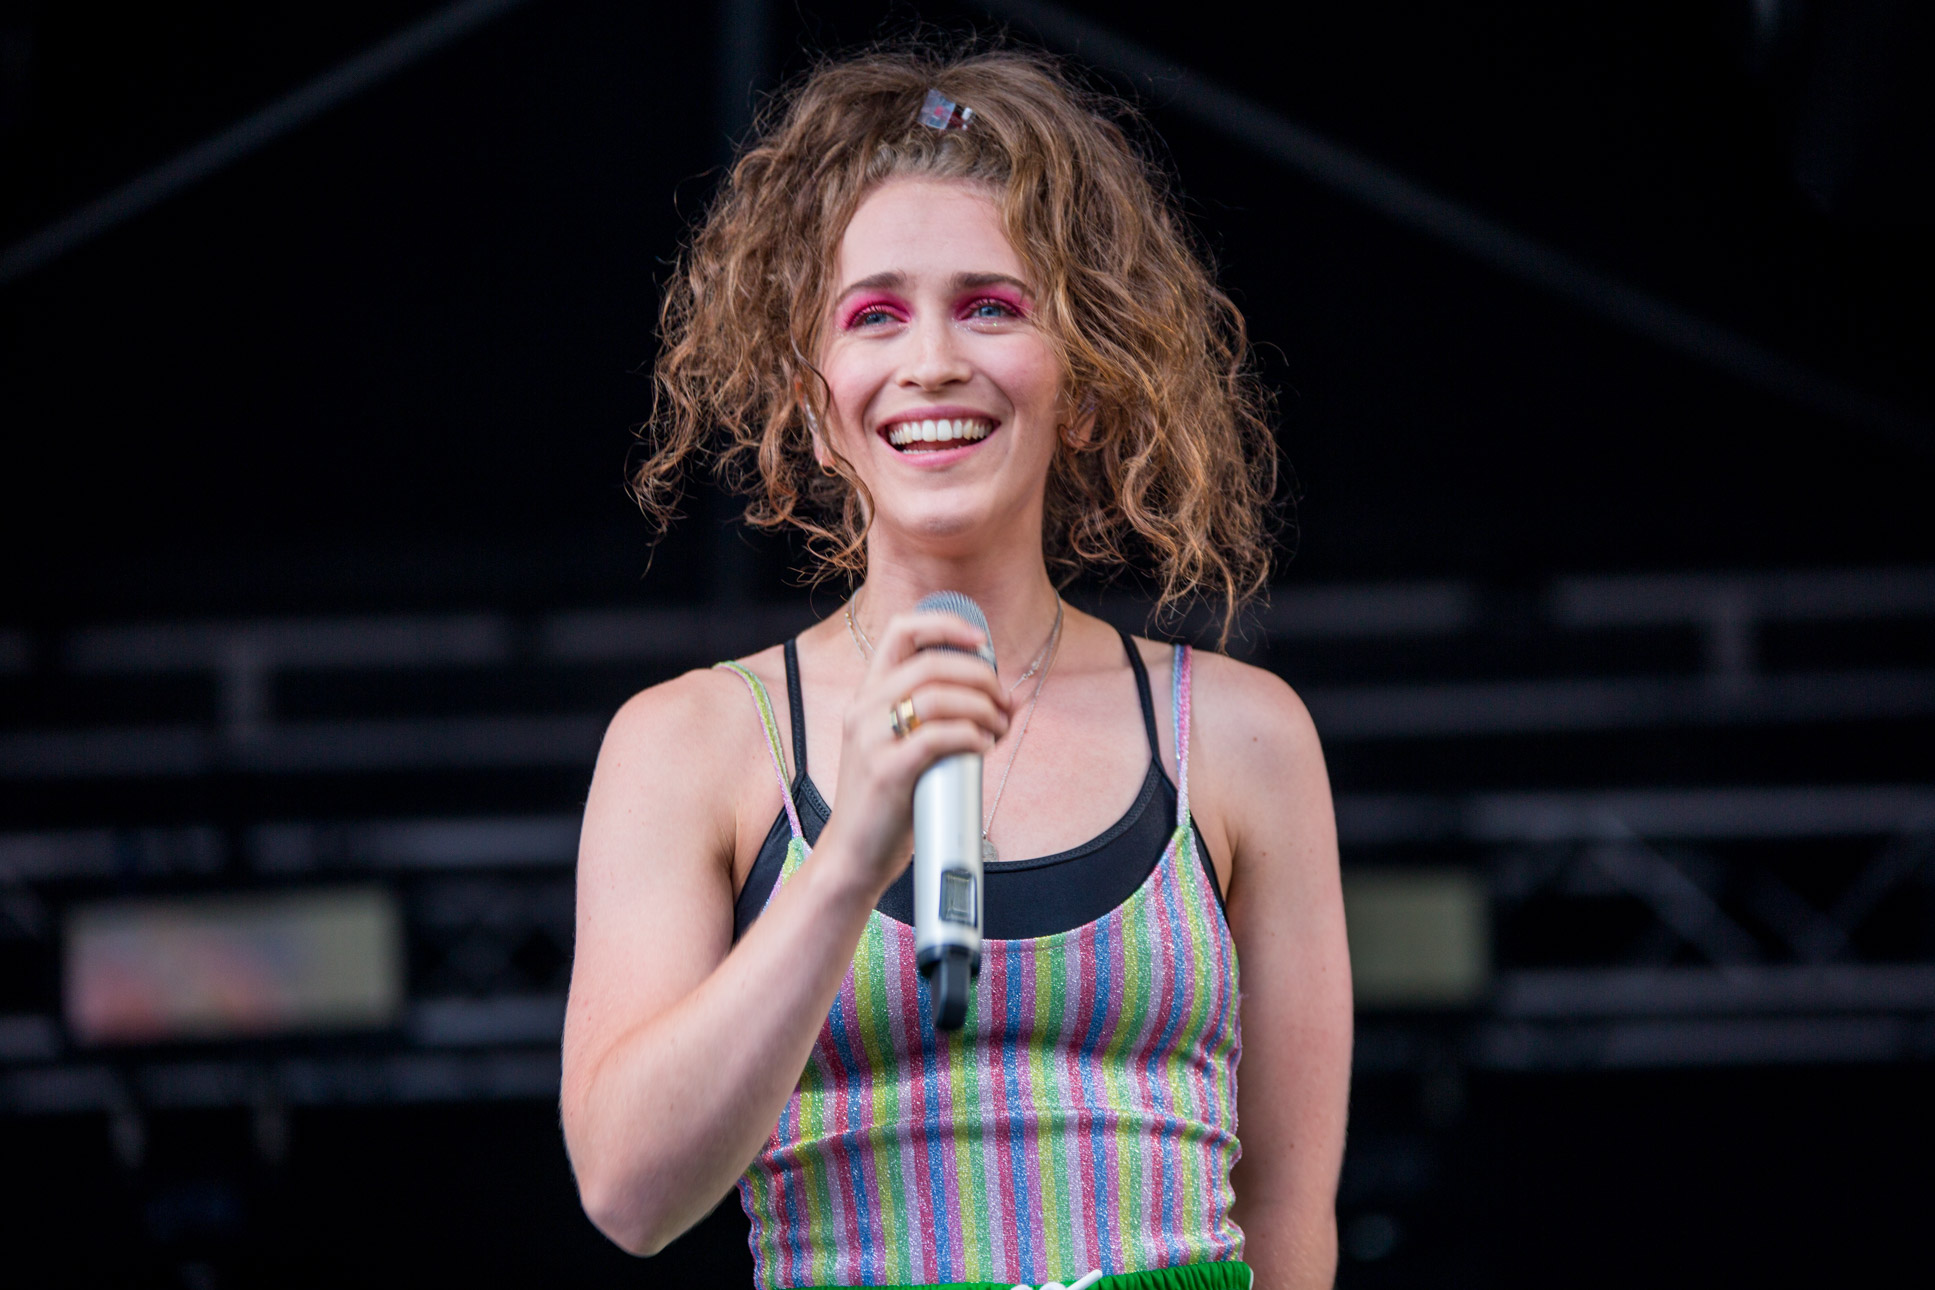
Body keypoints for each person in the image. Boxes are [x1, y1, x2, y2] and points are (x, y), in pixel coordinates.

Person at [561, 43, 1351, 1290]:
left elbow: (1292, 1218)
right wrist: (850, 860)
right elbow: (627, 1193)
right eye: (874, 315)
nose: (930, 359)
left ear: (1087, 383)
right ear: (815, 405)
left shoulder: (1242, 735)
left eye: (991, 305)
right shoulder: (694, 744)